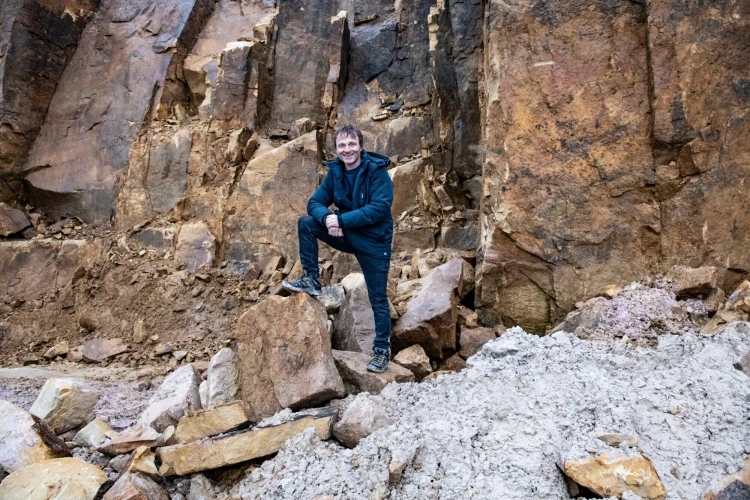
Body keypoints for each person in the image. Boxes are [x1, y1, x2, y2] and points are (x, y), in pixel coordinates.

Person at [282, 124, 394, 373]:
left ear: (361, 146)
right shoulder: (336, 172)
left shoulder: (376, 171)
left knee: (377, 298)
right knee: (306, 224)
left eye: (352, 144)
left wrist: (341, 220)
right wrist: (327, 219)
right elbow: (314, 202)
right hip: (348, 234)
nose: (347, 150)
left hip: (374, 242)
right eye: (342, 145)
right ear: (336, 149)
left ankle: (381, 350)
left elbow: (380, 208)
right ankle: (312, 279)